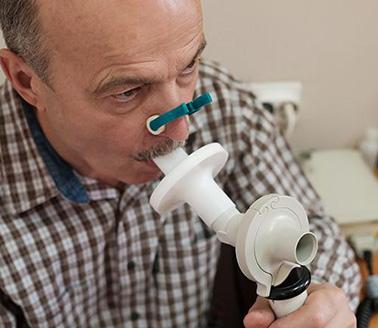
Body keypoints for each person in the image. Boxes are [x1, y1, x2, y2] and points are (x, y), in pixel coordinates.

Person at [0, 0, 360, 327]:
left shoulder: (228, 109)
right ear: (26, 80)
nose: (181, 129)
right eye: (127, 92)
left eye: (188, 68)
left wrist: (321, 305)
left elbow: (319, 236)